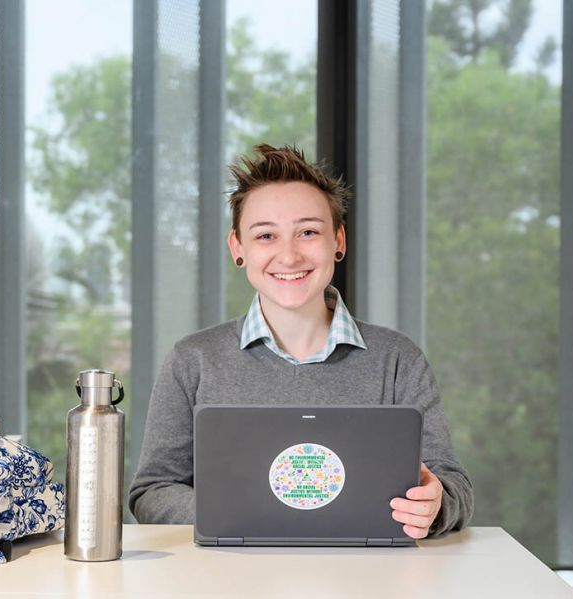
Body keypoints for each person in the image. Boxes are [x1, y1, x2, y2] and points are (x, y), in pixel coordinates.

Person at [129, 144, 473, 538]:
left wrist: (436, 504)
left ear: (338, 241)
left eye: (308, 232)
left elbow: (452, 484)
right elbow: (151, 491)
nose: (288, 256)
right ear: (238, 248)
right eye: (266, 236)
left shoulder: (398, 359)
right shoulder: (192, 360)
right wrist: (242, 512)